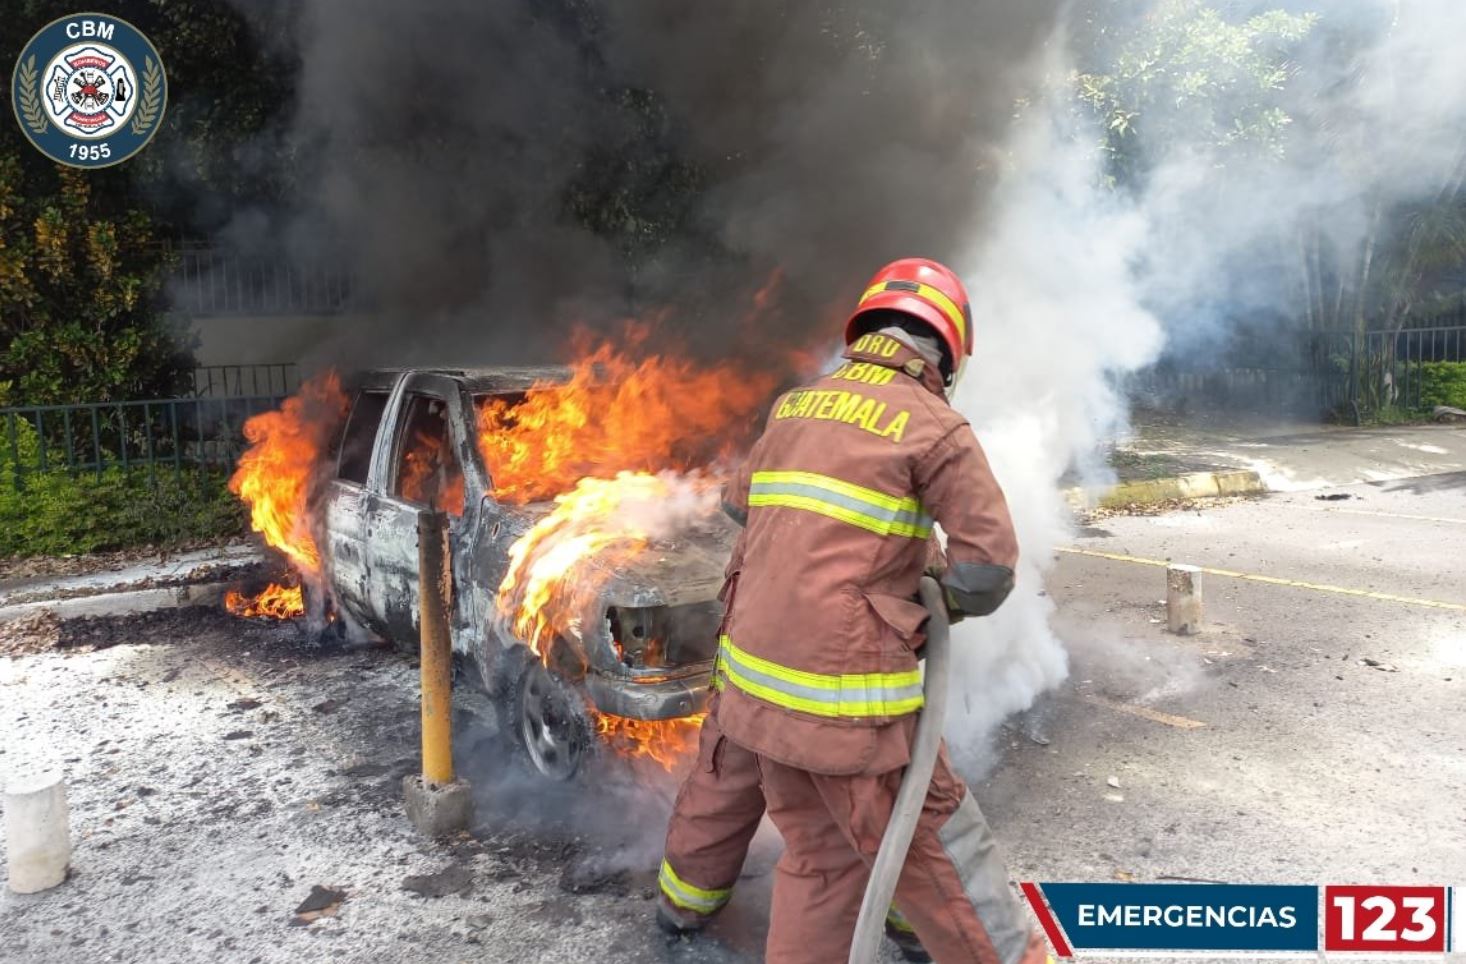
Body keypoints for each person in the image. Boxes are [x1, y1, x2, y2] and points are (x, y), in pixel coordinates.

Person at [662, 258, 1049, 963]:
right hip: (851, 710)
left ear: (863, 330)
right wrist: (925, 597)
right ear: (948, 352)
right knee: (943, 852)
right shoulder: (937, 427)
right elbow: (988, 571)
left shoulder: (795, 404)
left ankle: (686, 903)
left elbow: (735, 505)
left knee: (820, 861)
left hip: (751, 682)